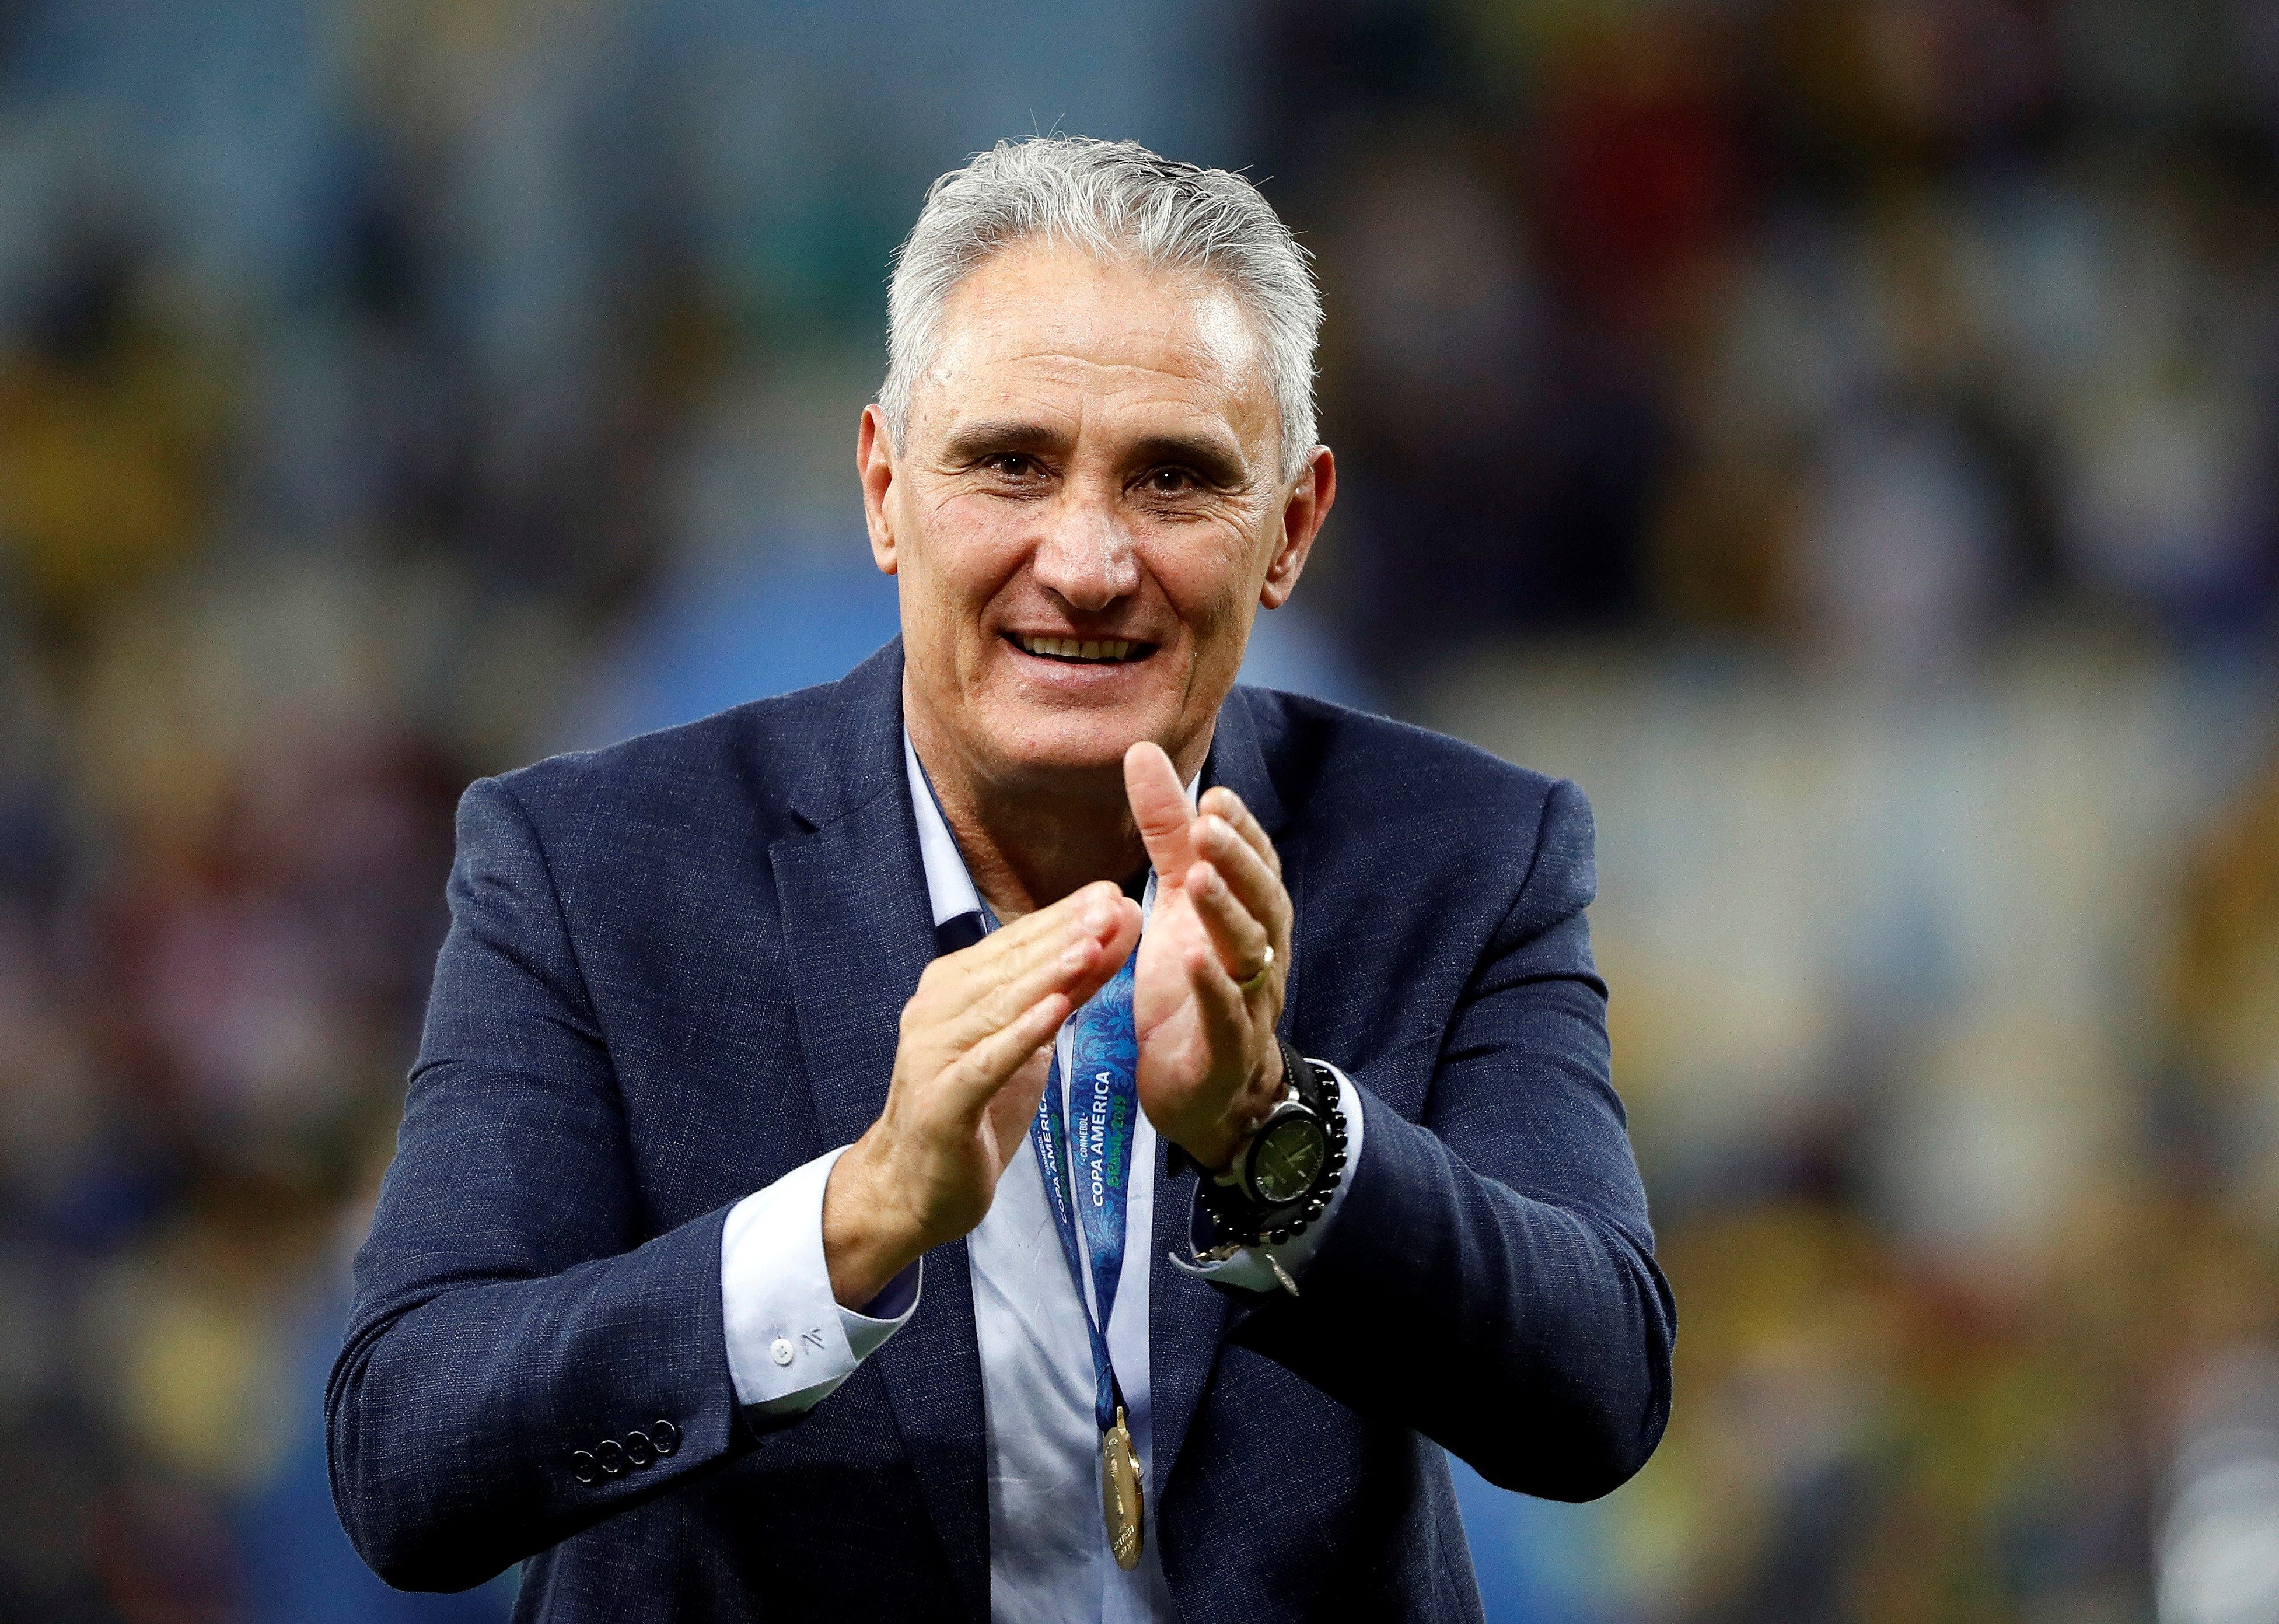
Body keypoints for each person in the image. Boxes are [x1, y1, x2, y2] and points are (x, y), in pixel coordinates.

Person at [327, 136, 1675, 1624]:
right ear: (888, 490)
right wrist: (857, 1217)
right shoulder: (591, 869)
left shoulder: (1461, 852)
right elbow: (411, 1455)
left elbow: (1597, 1393)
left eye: (1174, 479)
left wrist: (1269, 1134)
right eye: (1012, 464)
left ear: (1290, 528)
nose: (1088, 561)